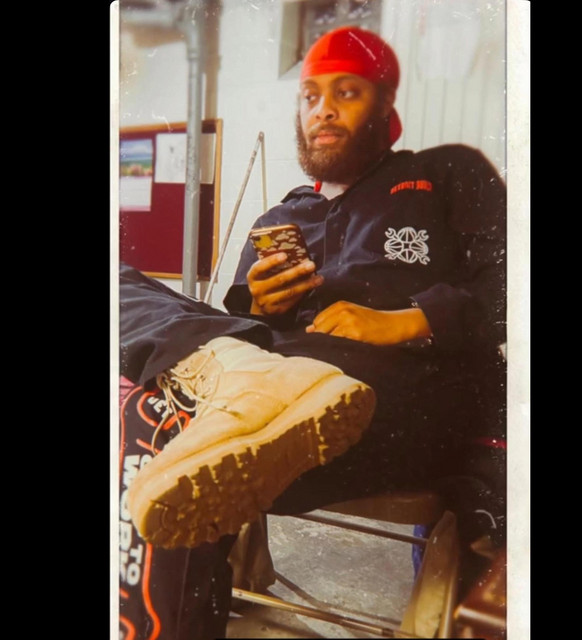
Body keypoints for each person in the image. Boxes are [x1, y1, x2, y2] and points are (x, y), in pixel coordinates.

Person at [118, 25, 506, 640]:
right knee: (121, 284)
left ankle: (244, 395)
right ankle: (245, 386)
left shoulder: (444, 173)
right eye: (310, 96)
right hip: (273, 378)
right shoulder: (282, 214)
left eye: (346, 92)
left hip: (391, 394)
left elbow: (512, 285)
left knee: (165, 419)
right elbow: (237, 320)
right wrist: (262, 304)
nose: (322, 109)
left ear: (385, 104)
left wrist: (406, 320)